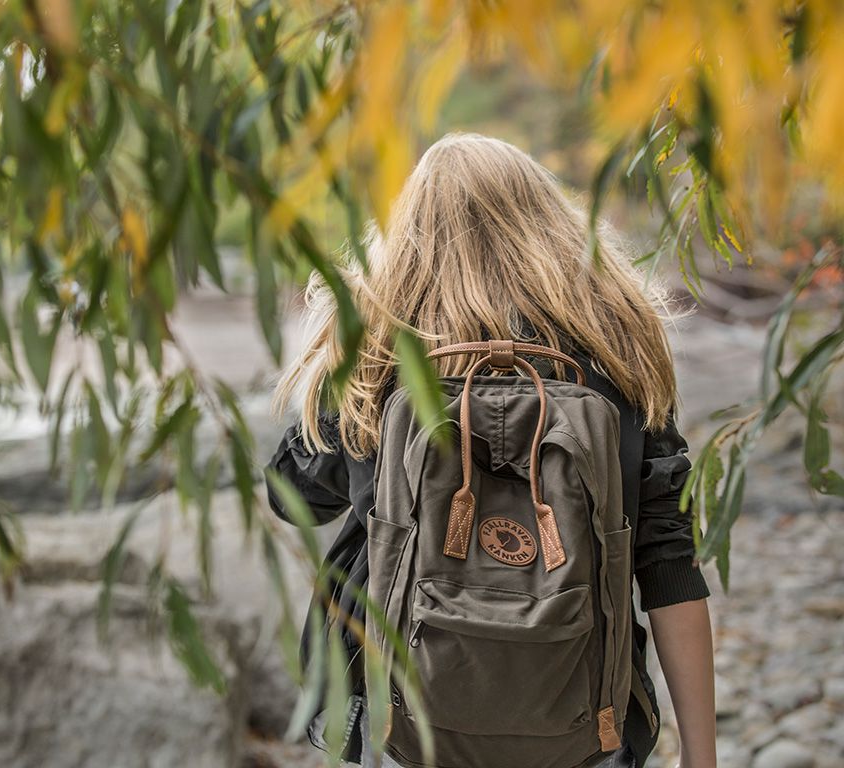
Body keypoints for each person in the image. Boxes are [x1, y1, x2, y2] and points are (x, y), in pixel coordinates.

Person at [265, 133, 717, 768]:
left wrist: (336, 352)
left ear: (407, 237)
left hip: (398, 725)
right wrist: (703, 758)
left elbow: (296, 499)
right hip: (584, 719)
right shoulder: (617, 350)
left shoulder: (379, 354)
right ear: (550, 223)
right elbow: (669, 564)